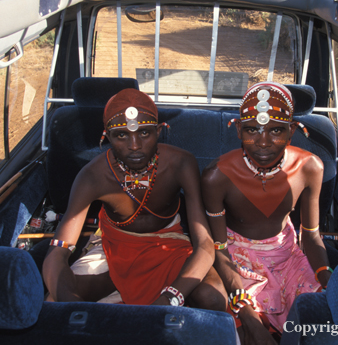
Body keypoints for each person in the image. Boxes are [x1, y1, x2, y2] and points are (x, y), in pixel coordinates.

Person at [43, 88, 225, 310]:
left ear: (159, 131)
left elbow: (205, 245)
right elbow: (58, 251)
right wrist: (70, 309)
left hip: (170, 244)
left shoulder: (180, 164)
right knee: (53, 304)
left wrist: (170, 298)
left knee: (213, 298)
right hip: (114, 248)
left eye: (145, 133)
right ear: (107, 136)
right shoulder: (92, 177)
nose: (135, 145)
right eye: (122, 135)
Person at [201, 82, 332, 344]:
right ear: (238, 129)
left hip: (287, 256)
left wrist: (328, 280)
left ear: (292, 130)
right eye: (252, 130)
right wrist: (248, 316)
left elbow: (312, 237)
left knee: (322, 319)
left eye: (276, 131)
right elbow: (219, 247)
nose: (263, 142)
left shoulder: (310, 168)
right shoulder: (217, 176)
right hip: (236, 261)